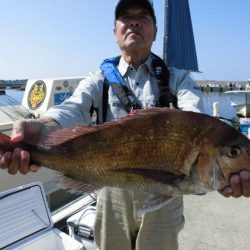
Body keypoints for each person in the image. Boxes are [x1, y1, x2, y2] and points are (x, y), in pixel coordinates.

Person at [0, 0, 250, 249]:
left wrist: (230, 168)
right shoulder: (99, 80)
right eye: (125, 17)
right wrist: (45, 126)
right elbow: (73, 107)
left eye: (143, 17)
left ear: (154, 31)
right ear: (115, 31)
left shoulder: (178, 79)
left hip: (167, 200)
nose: (133, 21)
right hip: (109, 188)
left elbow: (195, 118)